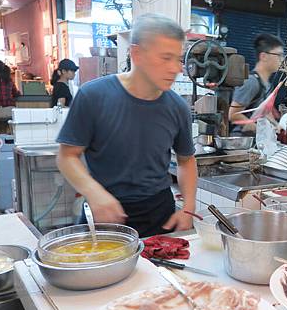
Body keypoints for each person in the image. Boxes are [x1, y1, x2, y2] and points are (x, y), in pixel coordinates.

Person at [56, 13, 197, 237]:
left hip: (160, 215)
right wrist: (94, 193)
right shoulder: (93, 96)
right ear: (136, 54)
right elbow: (67, 156)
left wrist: (189, 207)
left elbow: (186, 160)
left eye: (178, 59)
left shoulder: (177, 106)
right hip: (105, 212)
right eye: (165, 58)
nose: (176, 69)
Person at [229, 33, 284, 135]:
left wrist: (276, 126)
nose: (281, 59)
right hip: (242, 141)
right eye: (278, 55)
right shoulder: (251, 82)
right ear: (264, 56)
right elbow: (233, 115)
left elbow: (264, 113)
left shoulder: (267, 84)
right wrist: (259, 129)